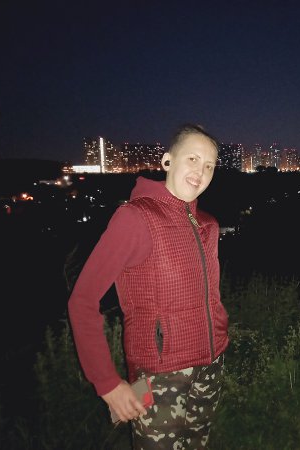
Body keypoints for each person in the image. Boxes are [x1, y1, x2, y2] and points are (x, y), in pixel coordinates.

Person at [68, 123, 229, 449]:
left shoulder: (209, 225)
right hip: (159, 375)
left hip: (211, 365)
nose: (201, 171)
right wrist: (107, 382)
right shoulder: (136, 218)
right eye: (193, 159)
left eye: (209, 165)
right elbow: (82, 301)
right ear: (168, 161)